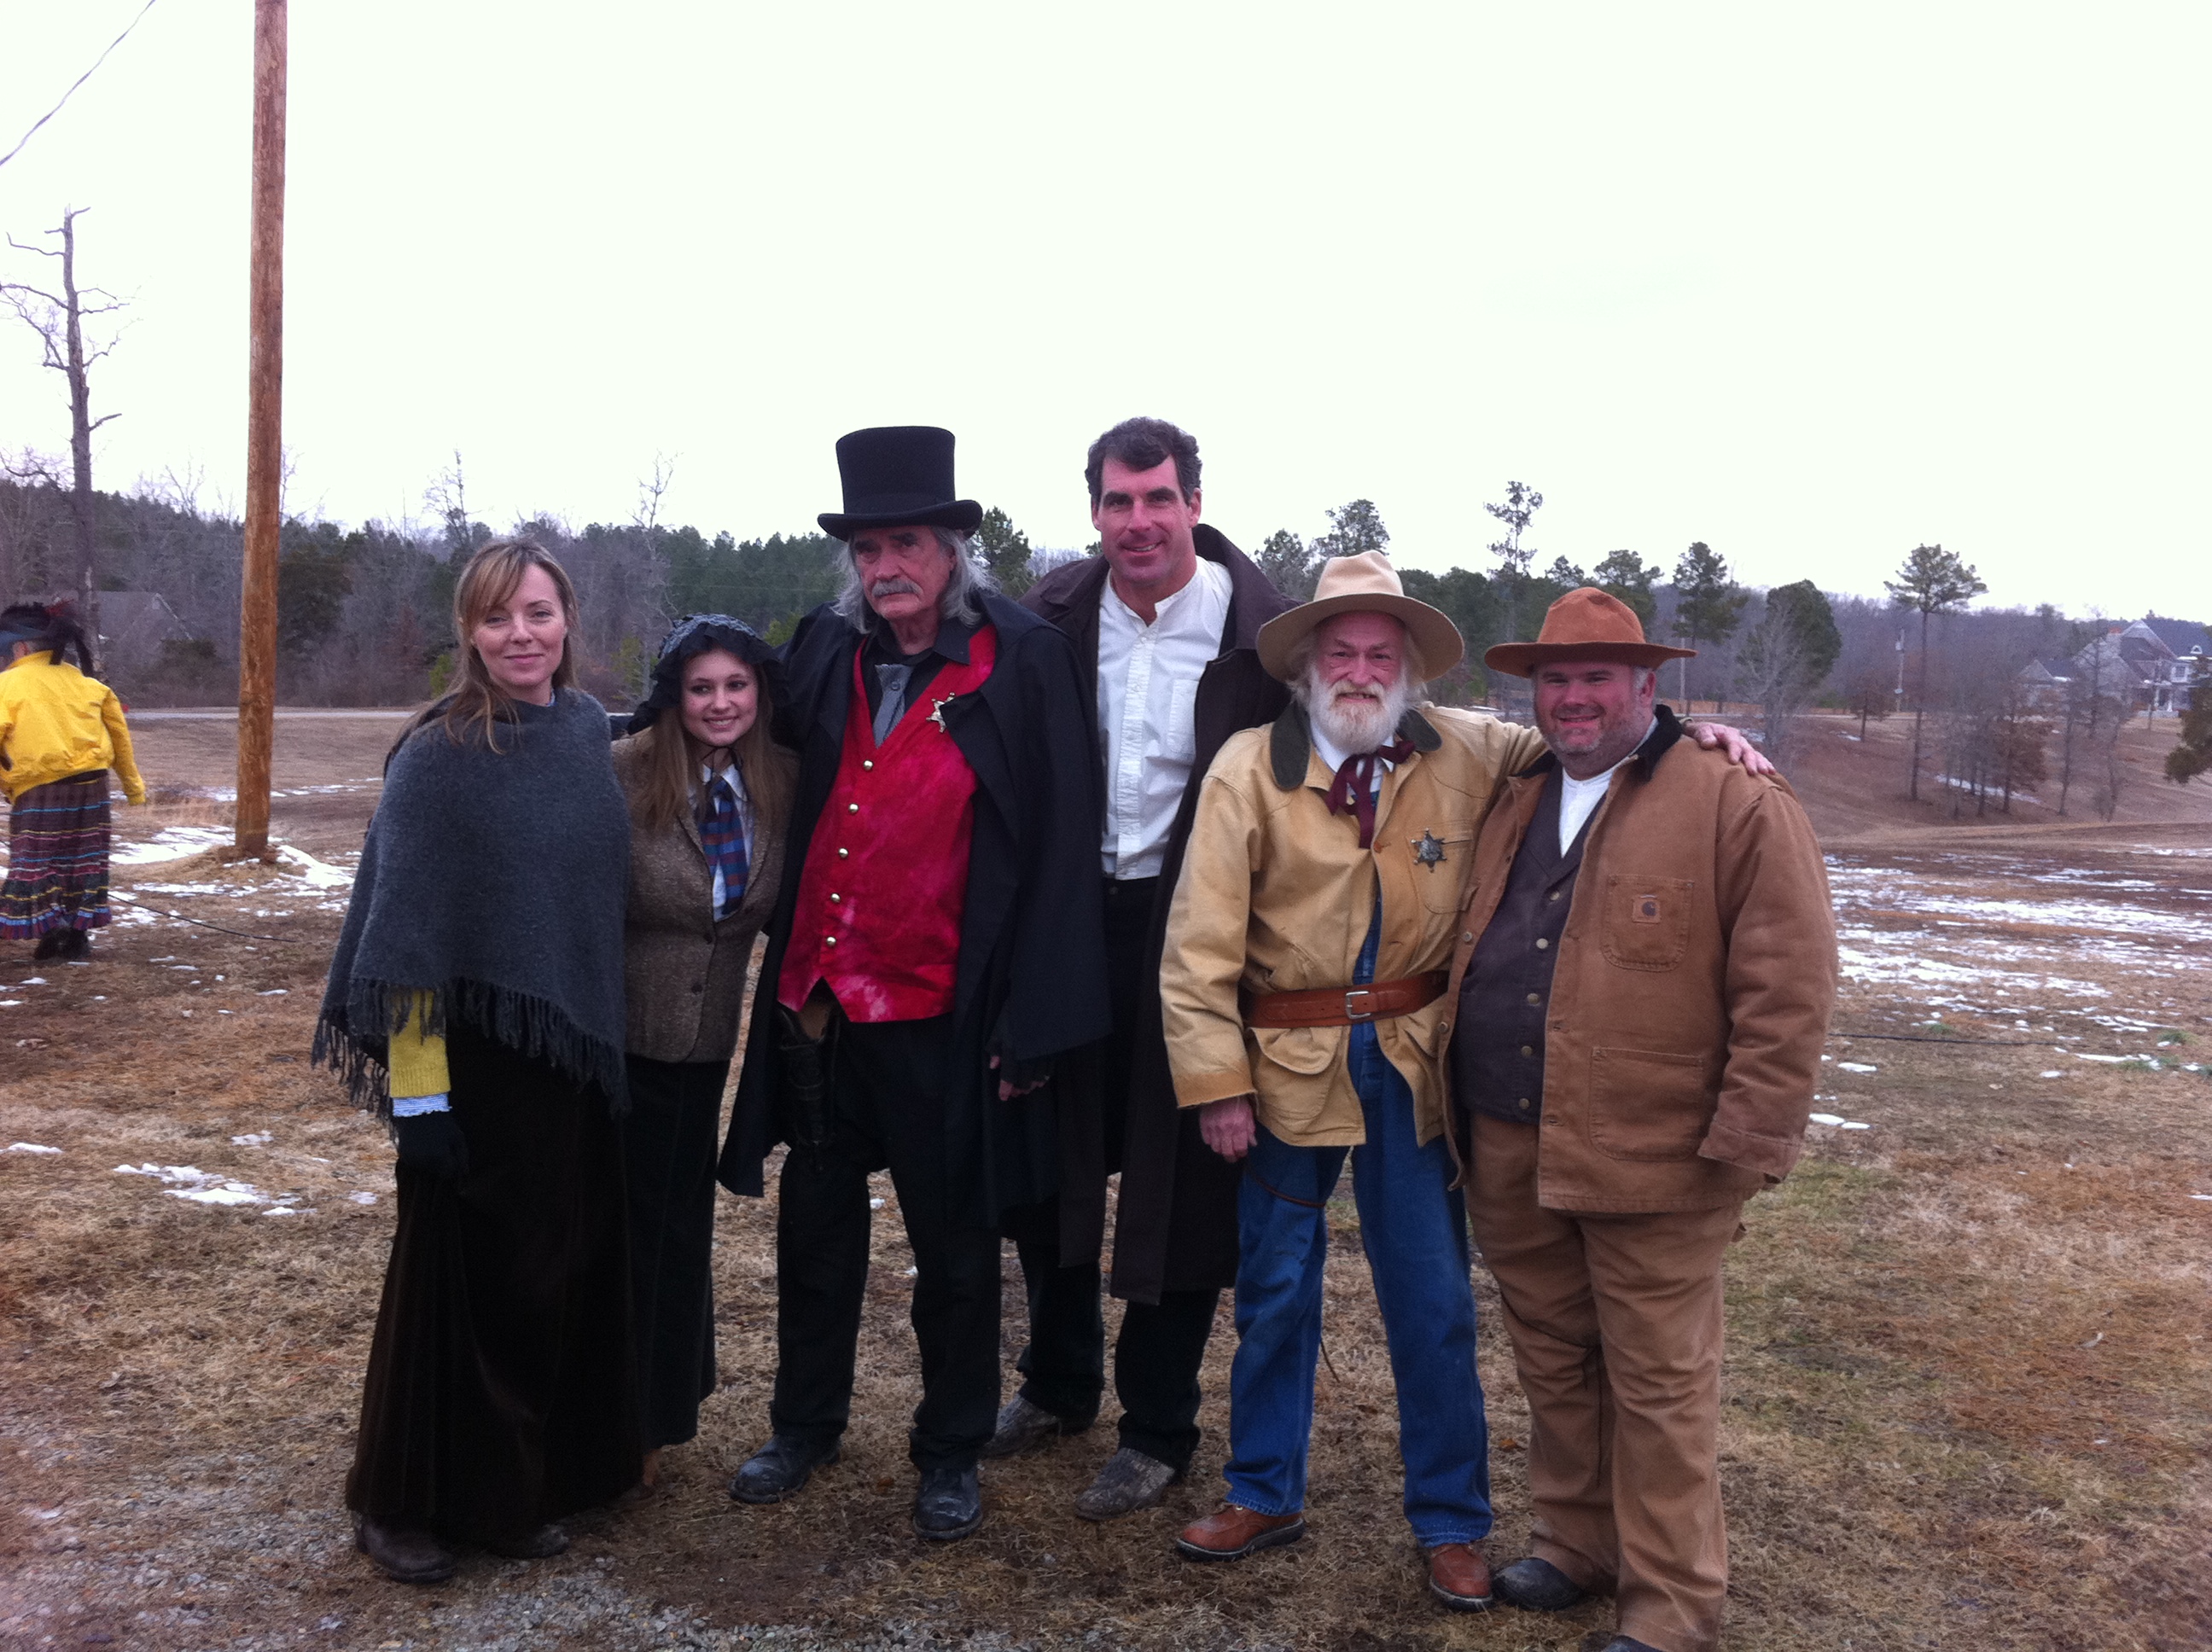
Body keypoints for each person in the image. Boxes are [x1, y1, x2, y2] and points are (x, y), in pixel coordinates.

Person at [1159, 561, 1768, 1610]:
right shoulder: (1247, 769)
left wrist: (1700, 737)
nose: (1359, 672)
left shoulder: (1476, 753)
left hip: (1416, 1061)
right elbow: (1196, 945)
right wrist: (1217, 1081)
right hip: (1284, 1064)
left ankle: (1450, 1520)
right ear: (1309, 667)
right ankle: (1264, 1487)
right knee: (1272, 1289)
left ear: (1408, 670)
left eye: (1379, 656)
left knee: (1433, 1300)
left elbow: (1602, 742)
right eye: (1340, 654)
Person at [716, 426, 1109, 1541]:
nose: (887, 566)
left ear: (952, 549)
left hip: (948, 1003)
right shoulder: (823, 650)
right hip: (822, 1002)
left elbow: (1058, 840)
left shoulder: (1022, 659)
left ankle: (949, 1449)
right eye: (870, 547)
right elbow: (741, 736)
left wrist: (1037, 1016)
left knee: (954, 1246)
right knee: (819, 1224)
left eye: (909, 543)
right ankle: (803, 1427)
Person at [1443, 588, 1837, 1652]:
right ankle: (1575, 1547)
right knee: (1555, 1358)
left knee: (1662, 1383)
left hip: (1661, 1155)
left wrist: (1751, 1142)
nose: (1573, 698)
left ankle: (1669, 1606)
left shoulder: (1735, 798)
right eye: (1555, 679)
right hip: (1510, 1137)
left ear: (1646, 687)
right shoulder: (1516, 791)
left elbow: (1788, 985)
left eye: (1596, 677)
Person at [314, 540, 639, 1585]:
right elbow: (406, 939)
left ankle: (517, 1489)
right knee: (454, 1292)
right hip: (469, 1068)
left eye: (538, 613)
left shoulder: (588, 729)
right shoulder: (439, 754)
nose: (521, 636)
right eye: (498, 619)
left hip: (572, 1059)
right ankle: (400, 1499)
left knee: (548, 1279)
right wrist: (420, 1098)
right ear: (469, 631)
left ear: (568, 617)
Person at [992, 416, 1294, 1520]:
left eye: (1157, 499)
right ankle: (1057, 1381)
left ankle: (1158, 1424)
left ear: (1195, 505)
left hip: (1199, 938)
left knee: (1183, 1189)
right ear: (1094, 513)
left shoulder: (1265, 642)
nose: (1138, 523)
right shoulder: (1051, 621)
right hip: (1072, 921)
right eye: (1117, 503)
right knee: (1048, 1163)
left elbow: (1379, 720)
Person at [611, 614, 795, 1492]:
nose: (719, 703)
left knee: (679, 1235)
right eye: (700, 688)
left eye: (735, 686)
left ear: (759, 693)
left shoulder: (782, 783)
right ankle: (603, 1424)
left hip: (705, 1055)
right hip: (616, 1044)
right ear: (674, 697)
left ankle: (656, 1418)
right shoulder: (625, 772)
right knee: (617, 1235)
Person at [0, 602, 146, 959]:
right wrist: (132, 787)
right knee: (83, 862)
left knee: (35, 863)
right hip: (93, 788)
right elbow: (119, 738)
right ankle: (76, 938)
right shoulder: (88, 684)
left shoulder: (7, 685)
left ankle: (52, 935)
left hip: (41, 790)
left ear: (19, 648)